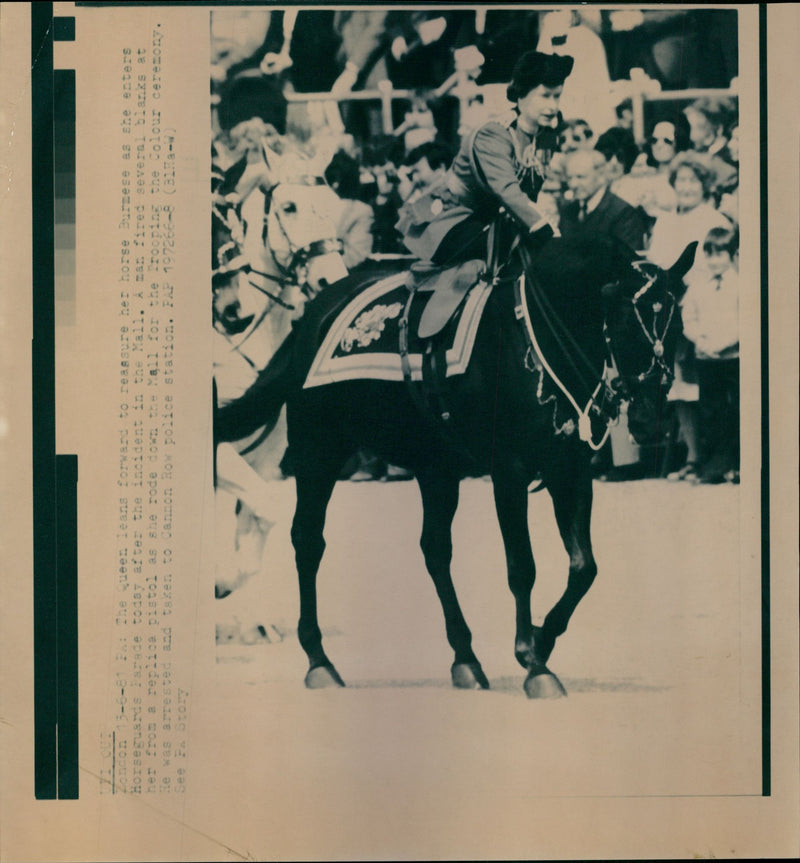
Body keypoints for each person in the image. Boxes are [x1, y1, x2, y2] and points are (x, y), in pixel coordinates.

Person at [397, 50, 574, 267]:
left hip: (493, 221)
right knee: (521, 248)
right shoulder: (494, 135)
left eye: (557, 96)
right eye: (545, 96)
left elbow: (532, 190)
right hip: (453, 222)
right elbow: (508, 191)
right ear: (521, 94)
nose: (553, 106)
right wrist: (546, 230)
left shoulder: (545, 135)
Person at [646, 151, 732, 482]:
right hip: (670, 313)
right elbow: (656, 264)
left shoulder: (715, 220)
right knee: (680, 386)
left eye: (693, 180)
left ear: (704, 184)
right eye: (680, 180)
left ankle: (717, 456)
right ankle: (694, 456)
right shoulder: (665, 221)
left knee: (707, 387)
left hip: (706, 310)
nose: (686, 186)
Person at [681, 226, 740, 484]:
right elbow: (688, 319)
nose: (715, 261)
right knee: (711, 412)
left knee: (736, 409)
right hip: (706, 359)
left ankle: (737, 465)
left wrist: (723, 343)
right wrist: (701, 341)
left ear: (732, 255)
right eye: (710, 255)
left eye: (720, 254)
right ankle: (716, 466)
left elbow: (745, 321)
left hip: (733, 357)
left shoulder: (741, 284)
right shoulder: (698, 287)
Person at [558, 148, 647, 254]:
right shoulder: (568, 211)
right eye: (569, 178)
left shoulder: (624, 214)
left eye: (580, 177)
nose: (573, 184)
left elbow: (628, 265)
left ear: (600, 175)